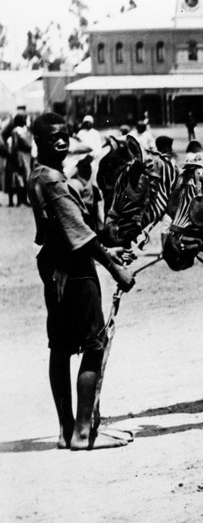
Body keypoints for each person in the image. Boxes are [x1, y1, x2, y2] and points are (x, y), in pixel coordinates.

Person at [27, 112, 134, 450]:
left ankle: (65, 429)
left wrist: (111, 250)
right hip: (76, 272)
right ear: (38, 141)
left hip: (55, 270)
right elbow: (81, 236)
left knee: (59, 348)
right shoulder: (56, 182)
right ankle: (83, 434)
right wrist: (116, 268)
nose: (61, 141)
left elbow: (54, 231)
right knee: (93, 345)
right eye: (52, 137)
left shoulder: (39, 176)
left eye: (65, 135)